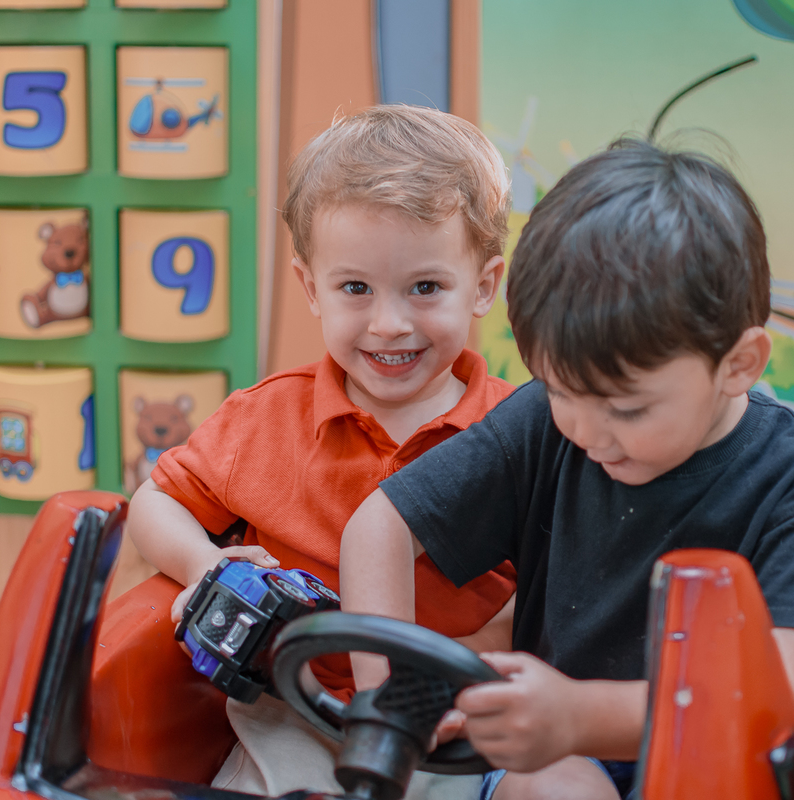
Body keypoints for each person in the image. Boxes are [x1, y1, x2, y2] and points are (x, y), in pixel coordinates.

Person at [338, 139, 794, 800]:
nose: (585, 431)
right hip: (550, 761)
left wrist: (579, 716)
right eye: (559, 390)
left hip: (712, 767)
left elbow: (768, 698)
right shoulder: (543, 424)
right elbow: (379, 527)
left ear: (739, 364)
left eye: (626, 408)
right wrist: (389, 701)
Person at [126, 104, 519, 800]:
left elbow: (545, 594)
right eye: (355, 288)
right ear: (312, 288)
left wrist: (468, 669)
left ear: (483, 286)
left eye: (425, 288)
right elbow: (154, 502)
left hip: (459, 725)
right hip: (293, 711)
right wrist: (206, 562)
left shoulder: (520, 433)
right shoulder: (265, 415)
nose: (389, 323)